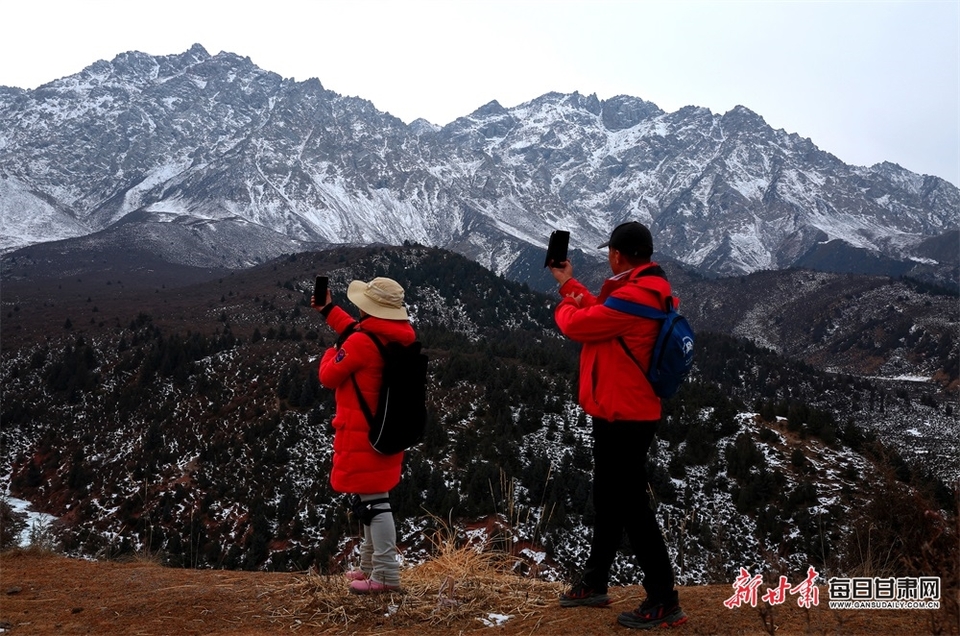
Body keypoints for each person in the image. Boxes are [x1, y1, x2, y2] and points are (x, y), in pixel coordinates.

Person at [549, 221, 687, 630]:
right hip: (622, 412)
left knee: (629, 505)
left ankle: (664, 598)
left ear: (616, 255)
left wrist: (563, 302)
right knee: (609, 498)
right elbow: (602, 314)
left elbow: (578, 324)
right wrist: (570, 284)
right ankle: (595, 582)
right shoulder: (644, 291)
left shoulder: (635, 295)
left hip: (624, 416)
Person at [314, 276, 416, 594]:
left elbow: (328, 376)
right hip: (386, 430)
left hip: (361, 435)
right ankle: (370, 567)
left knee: (375, 503)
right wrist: (329, 309)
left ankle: (385, 575)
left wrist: (332, 352)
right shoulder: (396, 338)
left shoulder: (360, 343)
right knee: (370, 499)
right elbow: (355, 331)